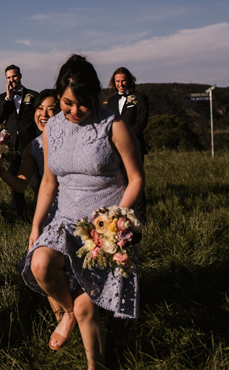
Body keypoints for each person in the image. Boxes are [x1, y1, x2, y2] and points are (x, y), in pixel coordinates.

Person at [22, 55, 144, 370]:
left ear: (95, 96)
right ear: (58, 95)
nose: (75, 111)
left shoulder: (114, 126)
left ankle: (97, 364)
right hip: (64, 218)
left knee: (88, 306)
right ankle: (69, 313)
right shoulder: (53, 129)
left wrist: (114, 225)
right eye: (67, 103)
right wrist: (37, 226)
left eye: (83, 104)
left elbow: (136, 179)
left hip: (104, 222)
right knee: (40, 264)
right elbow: (49, 180)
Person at [0, 89, 65, 320]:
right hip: (49, 214)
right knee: (43, 267)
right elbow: (21, 184)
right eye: (40, 108)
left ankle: (83, 316)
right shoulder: (32, 147)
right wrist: (0, 169)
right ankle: (61, 318)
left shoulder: (74, 139)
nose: (44, 114)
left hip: (77, 209)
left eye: (52, 109)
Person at [0, 64, 38, 219]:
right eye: (8, 77)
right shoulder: (3, 97)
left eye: (14, 76)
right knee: (14, 182)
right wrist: (8, 98)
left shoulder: (33, 95)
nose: (12, 80)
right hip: (11, 146)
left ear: (20, 76)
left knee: (35, 182)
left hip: (30, 143)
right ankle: (21, 215)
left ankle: (40, 213)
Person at [105, 67, 149, 221]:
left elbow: (141, 121)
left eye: (123, 80)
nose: (120, 84)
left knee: (135, 180)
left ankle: (141, 218)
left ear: (130, 81)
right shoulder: (110, 101)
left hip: (134, 146)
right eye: (117, 81)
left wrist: (126, 137)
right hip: (113, 148)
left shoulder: (140, 97)